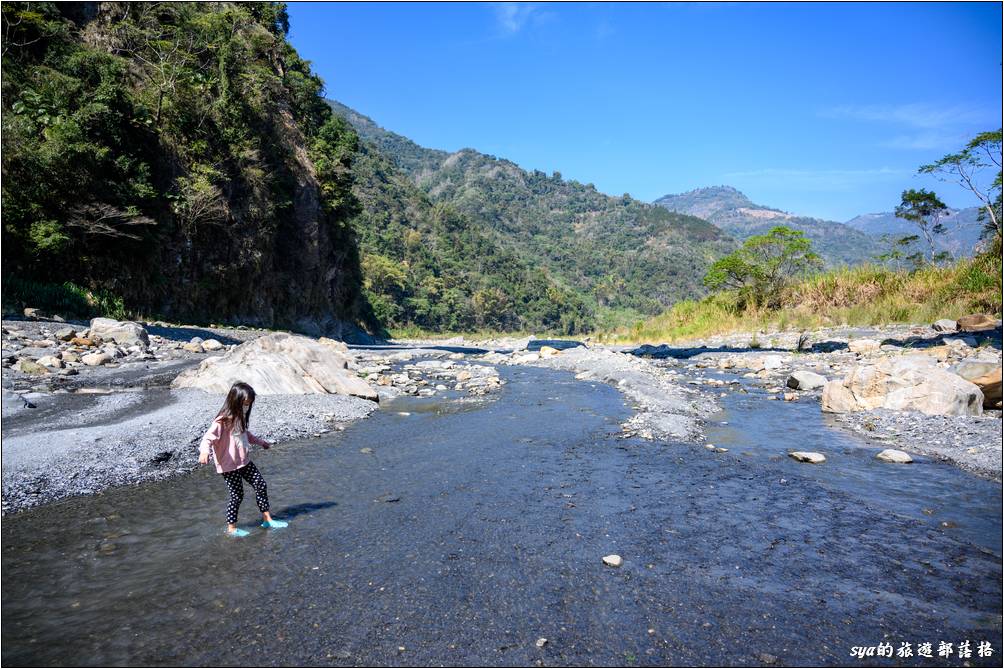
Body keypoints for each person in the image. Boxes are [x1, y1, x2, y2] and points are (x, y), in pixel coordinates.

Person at [198, 381, 288, 536]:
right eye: (245, 404)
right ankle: (231, 528)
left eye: (249, 404)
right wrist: (204, 452)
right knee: (237, 495)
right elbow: (208, 438)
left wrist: (262, 443)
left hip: (244, 461)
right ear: (235, 401)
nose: (246, 407)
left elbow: (246, 435)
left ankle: (267, 519)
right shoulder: (222, 421)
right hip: (228, 466)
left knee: (260, 484)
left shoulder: (240, 418)